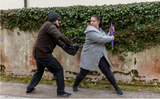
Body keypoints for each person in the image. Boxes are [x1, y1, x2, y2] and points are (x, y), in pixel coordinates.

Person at [72, 15, 124, 96]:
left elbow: (103, 37)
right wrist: (112, 38)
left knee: (107, 71)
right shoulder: (90, 31)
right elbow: (100, 39)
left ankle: (117, 88)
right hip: (89, 55)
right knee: (83, 73)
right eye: (91, 21)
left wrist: (110, 33)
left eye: (94, 21)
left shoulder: (100, 30)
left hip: (100, 54)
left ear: (98, 22)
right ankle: (75, 86)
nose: (91, 22)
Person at [26, 11, 72, 98]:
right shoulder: (50, 26)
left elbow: (56, 39)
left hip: (38, 53)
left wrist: (63, 45)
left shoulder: (49, 26)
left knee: (39, 71)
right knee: (59, 70)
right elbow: (59, 35)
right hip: (43, 54)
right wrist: (69, 43)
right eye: (59, 20)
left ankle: (29, 88)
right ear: (54, 20)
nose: (60, 22)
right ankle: (61, 93)